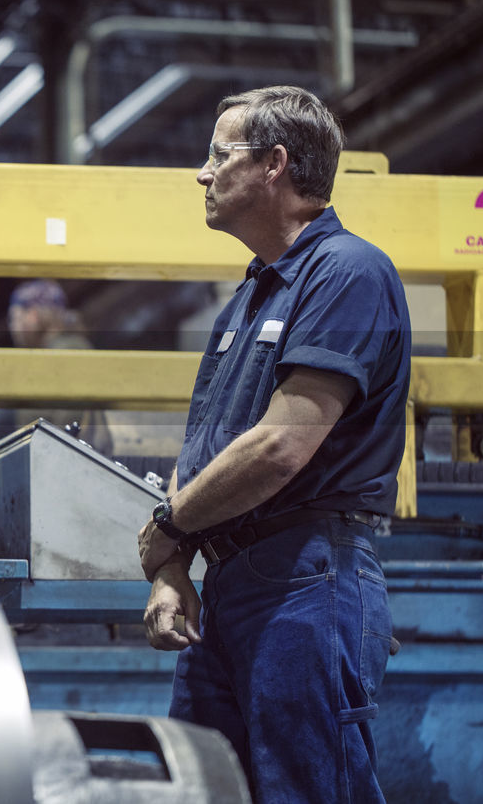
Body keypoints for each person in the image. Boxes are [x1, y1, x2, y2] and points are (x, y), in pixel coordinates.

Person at [135, 86, 411, 803]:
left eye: (218, 155)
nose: (202, 173)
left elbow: (280, 448)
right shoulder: (254, 295)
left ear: (275, 165)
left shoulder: (348, 273)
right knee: (208, 787)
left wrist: (169, 530)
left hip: (304, 582)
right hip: (236, 584)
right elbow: (207, 451)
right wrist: (175, 567)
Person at [0, 279, 113, 455]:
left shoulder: (59, 354)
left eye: (15, 318)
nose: (12, 327)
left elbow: (64, 425)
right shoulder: (71, 348)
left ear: (33, 316)